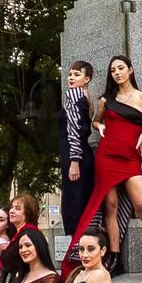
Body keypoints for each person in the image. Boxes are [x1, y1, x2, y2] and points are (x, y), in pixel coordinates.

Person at [61, 55, 142, 278]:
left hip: (130, 159)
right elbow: (95, 120)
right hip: (106, 155)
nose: (117, 73)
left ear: (130, 70)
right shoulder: (106, 100)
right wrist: (99, 125)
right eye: (113, 70)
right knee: (109, 207)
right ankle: (114, 257)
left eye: (121, 68)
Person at [59, 61, 95, 238]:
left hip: (76, 156)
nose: (71, 78)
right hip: (82, 155)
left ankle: (75, 252)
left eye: (76, 74)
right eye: (70, 74)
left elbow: (74, 131)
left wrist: (74, 161)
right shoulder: (84, 95)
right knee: (80, 204)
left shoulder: (73, 95)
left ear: (86, 78)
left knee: (73, 207)